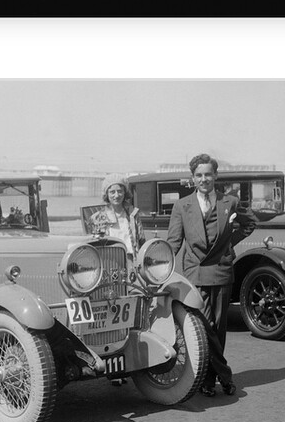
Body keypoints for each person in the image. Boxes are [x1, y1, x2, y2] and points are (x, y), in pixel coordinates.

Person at [166, 153, 258, 397]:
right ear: (192, 178)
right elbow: (173, 242)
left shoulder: (230, 202)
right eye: (198, 175)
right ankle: (225, 376)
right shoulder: (181, 206)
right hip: (194, 274)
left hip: (221, 272)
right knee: (204, 327)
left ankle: (207, 381)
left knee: (218, 329)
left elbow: (250, 223)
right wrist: (160, 267)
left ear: (215, 176)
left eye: (208, 174)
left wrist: (230, 242)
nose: (203, 179)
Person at [88, 174, 145, 260]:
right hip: (109, 261)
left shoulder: (133, 214)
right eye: (112, 192)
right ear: (106, 194)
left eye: (119, 191)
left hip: (132, 262)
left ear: (125, 193)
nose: (116, 195)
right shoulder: (97, 218)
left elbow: (142, 240)